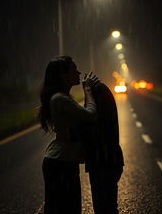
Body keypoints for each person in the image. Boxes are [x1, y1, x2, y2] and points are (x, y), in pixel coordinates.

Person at [38, 56, 99, 214]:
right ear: (63, 75)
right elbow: (91, 115)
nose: (78, 72)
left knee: (63, 208)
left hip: (63, 162)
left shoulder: (62, 99)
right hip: (61, 163)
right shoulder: (60, 99)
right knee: (66, 209)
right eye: (74, 69)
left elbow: (83, 117)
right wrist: (88, 91)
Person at [85, 82, 124, 214]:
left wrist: (88, 93)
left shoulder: (97, 122)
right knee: (109, 205)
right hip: (111, 159)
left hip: (101, 161)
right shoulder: (108, 112)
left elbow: (88, 118)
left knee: (102, 206)